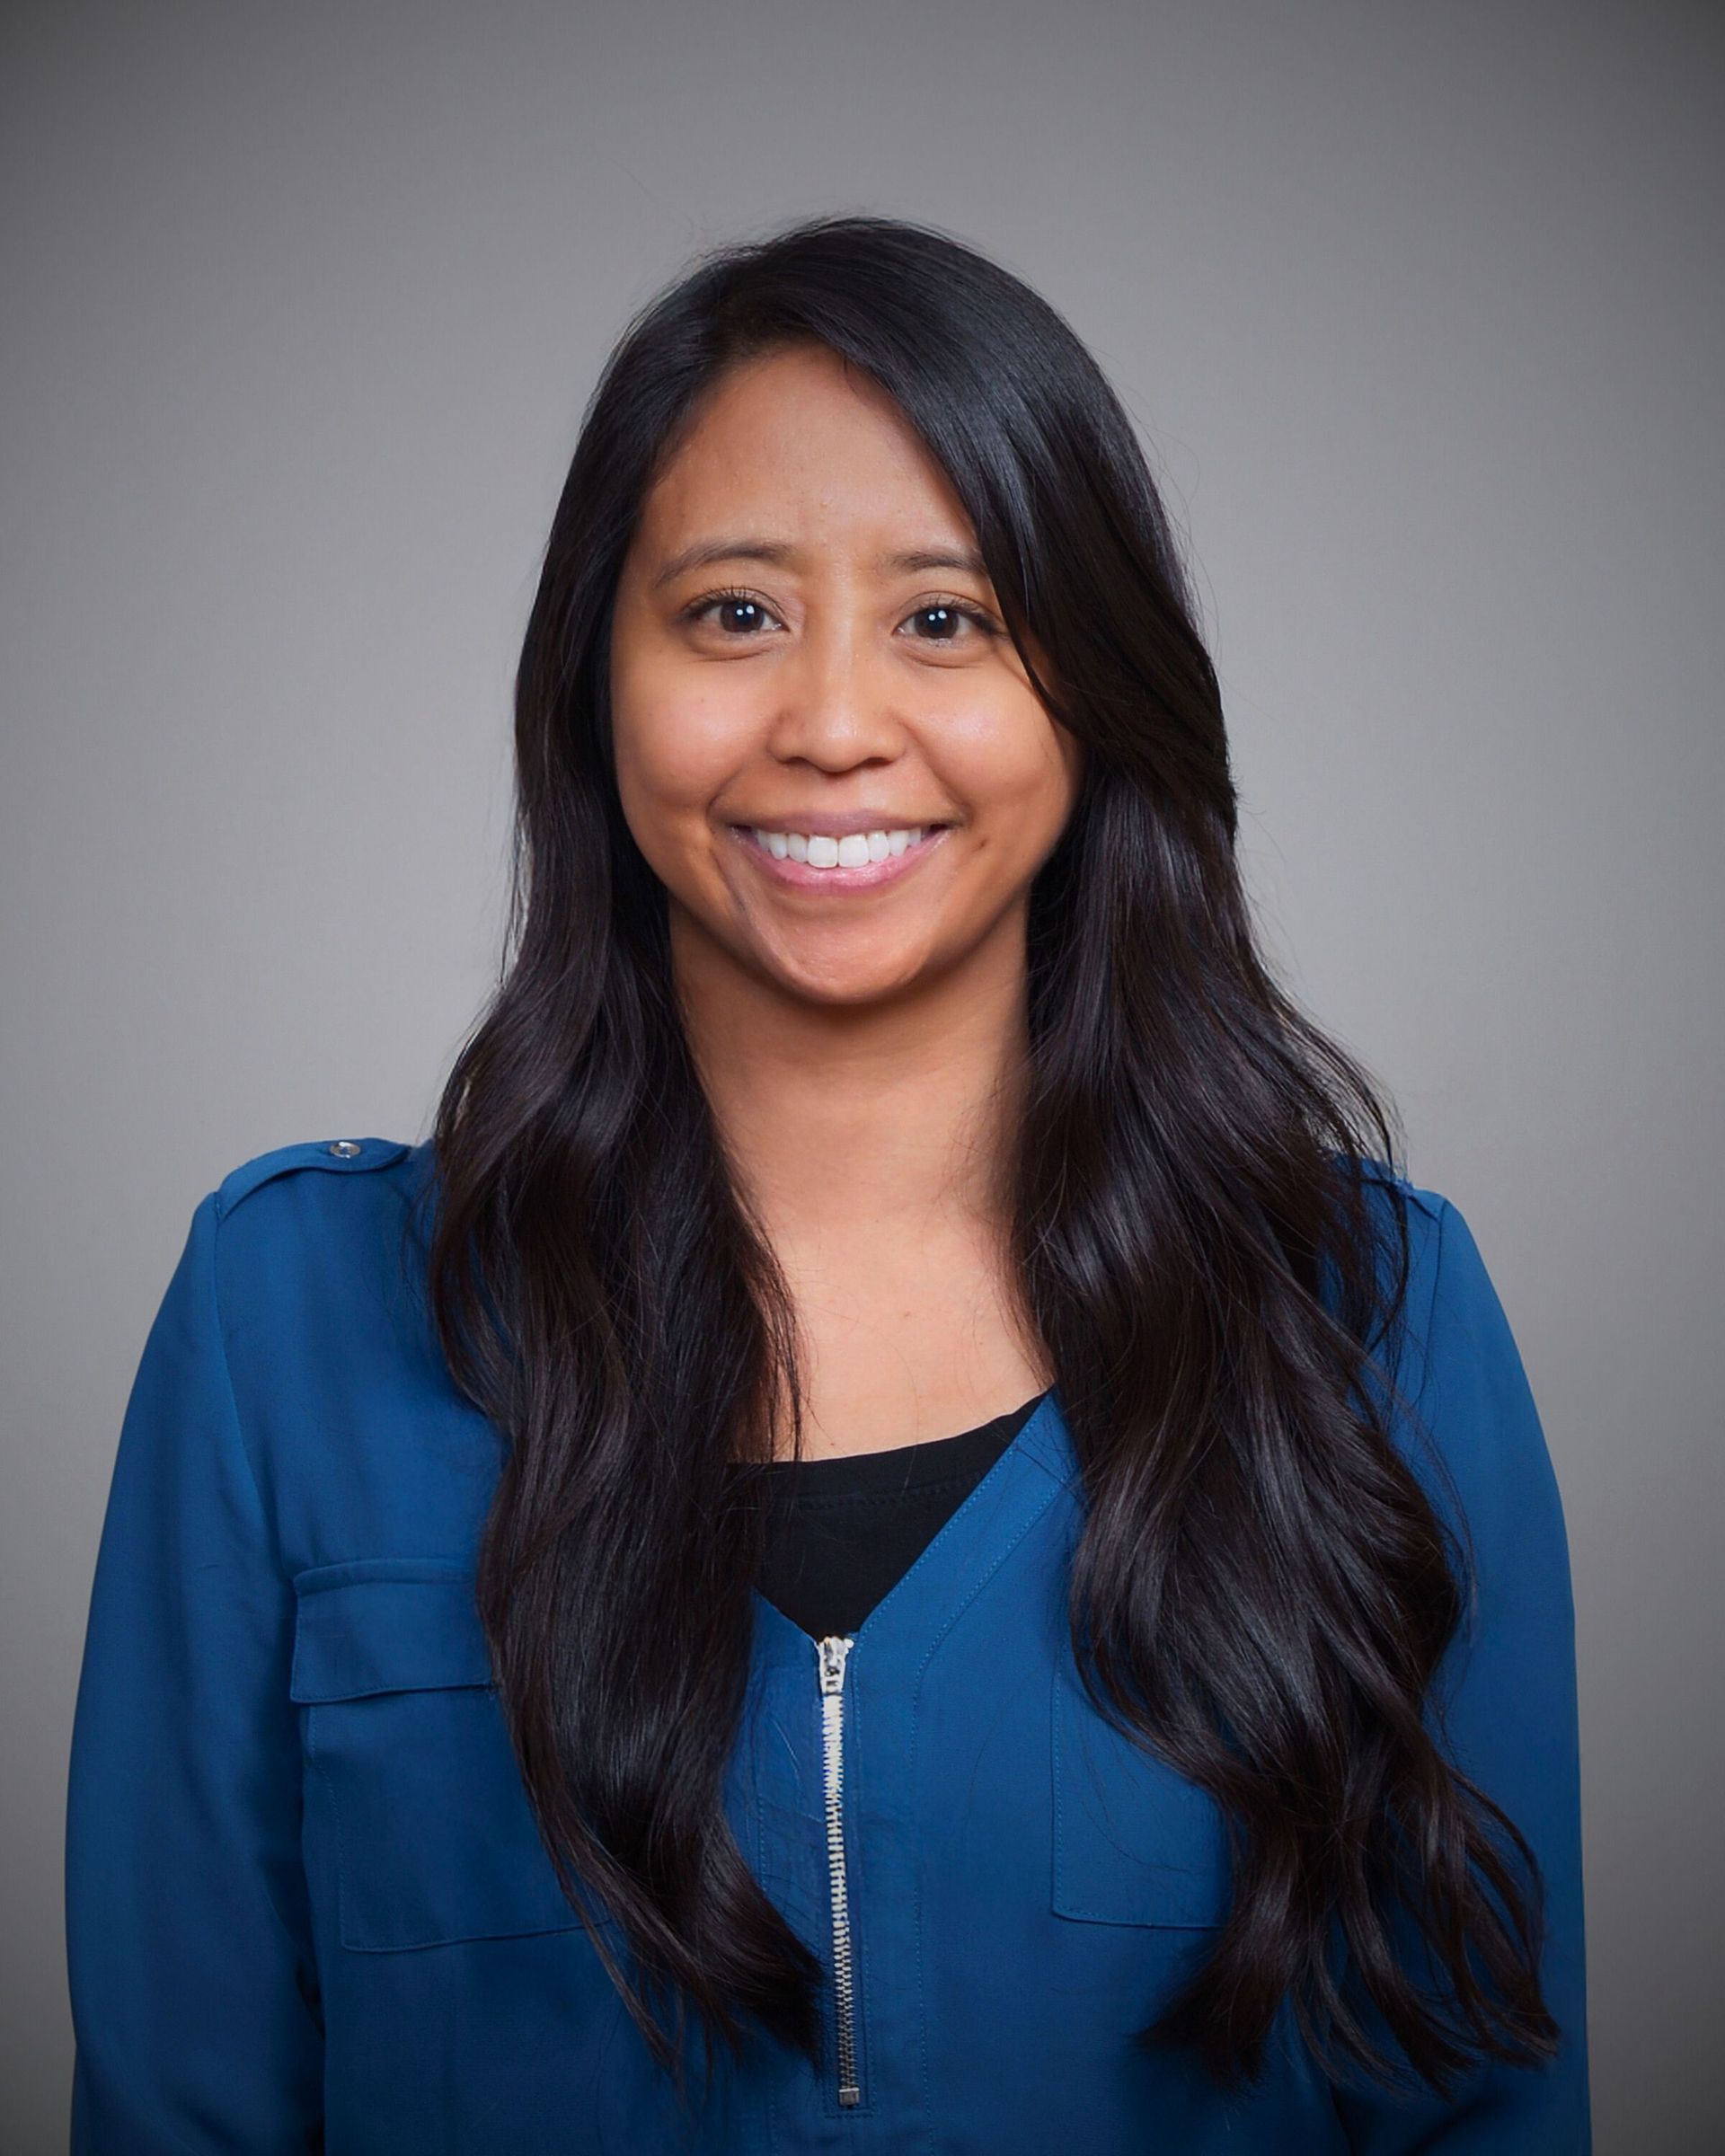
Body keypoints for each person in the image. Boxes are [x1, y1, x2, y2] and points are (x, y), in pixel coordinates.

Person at [65, 213, 1589, 2152]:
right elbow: (180, 2104)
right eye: (733, 614)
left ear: (1092, 694)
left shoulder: (1371, 1324)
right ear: (594, 685)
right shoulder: (286, 1322)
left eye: (946, 618)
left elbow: (1490, 2106)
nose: (835, 723)